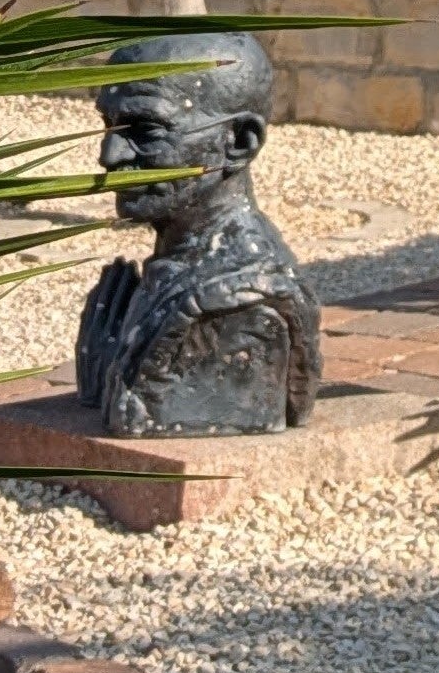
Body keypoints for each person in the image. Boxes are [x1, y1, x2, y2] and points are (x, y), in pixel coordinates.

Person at [71, 29, 322, 436]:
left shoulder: (241, 305)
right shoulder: (153, 280)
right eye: (109, 125)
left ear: (239, 142)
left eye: (147, 131)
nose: (109, 155)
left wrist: (119, 380)